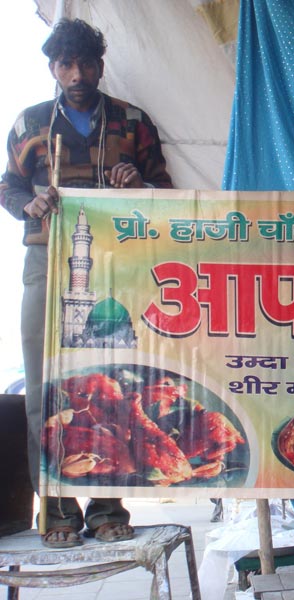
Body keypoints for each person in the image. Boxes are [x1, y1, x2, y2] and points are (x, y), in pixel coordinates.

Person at [0, 18, 173, 548]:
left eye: (87, 63)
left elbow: (165, 194)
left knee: (108, 385)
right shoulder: (31, 124)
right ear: (53, 68)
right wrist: (27, 204)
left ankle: (105, 507)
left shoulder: (131, 122)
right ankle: (55, 513)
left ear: (100, 65)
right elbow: (8, 187)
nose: (77, 74)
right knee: (42, 387)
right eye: (66, 65)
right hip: (46, 263)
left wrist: (140, 185)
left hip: (117, 268)